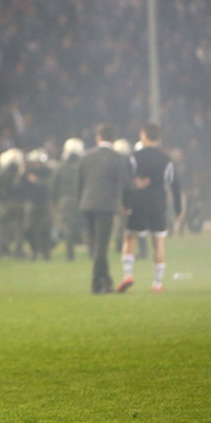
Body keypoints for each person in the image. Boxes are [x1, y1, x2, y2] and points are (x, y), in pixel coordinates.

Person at [117, 124, 183, 294]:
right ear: (158, 138)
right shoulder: (166, 160)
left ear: (143, 136)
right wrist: (178, 209)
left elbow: (126, 183)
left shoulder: (134, 158)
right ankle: (157, 283)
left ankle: (127, 275)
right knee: (158, 243)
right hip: (158, 204)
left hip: (138, 203)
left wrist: (125, 204)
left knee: (130, 238)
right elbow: (175, 185)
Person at [78, 124, 129, 295]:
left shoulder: (86, 156)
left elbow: (80, 183)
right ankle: (97, 285)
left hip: (87, 205)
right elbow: (123, 184)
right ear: (113, 139)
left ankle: (106, 281)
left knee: (95, 247)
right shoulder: (117, 158)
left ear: (98, 137)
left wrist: (81, 202)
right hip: (105, 206)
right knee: (101, 247)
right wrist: (124, 204)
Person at [52, 137, 84, 261]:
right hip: (80, 199)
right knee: (82, 226)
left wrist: (54, 200)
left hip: (65, 200)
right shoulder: (82, 167)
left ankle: (70, 254)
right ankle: (91, 251)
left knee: (68, 228)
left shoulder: (61, 167)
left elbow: (54, 185)